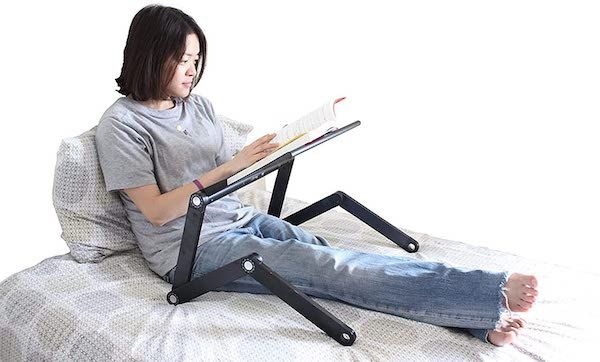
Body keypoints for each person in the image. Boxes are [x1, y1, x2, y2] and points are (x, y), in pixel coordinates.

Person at [95, 4, 538, 347]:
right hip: (187, 249)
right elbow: (154, 211)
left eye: (196, 58)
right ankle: (487, 293)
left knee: (329, 256)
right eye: (182, 60)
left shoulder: (199, 104)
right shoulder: (122, 125)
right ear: (152, 56)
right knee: (328, 266)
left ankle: (475, 322)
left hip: (233, 219)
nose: (193, 70)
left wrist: (279, 147)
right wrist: (229, 167)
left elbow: (227, 170)